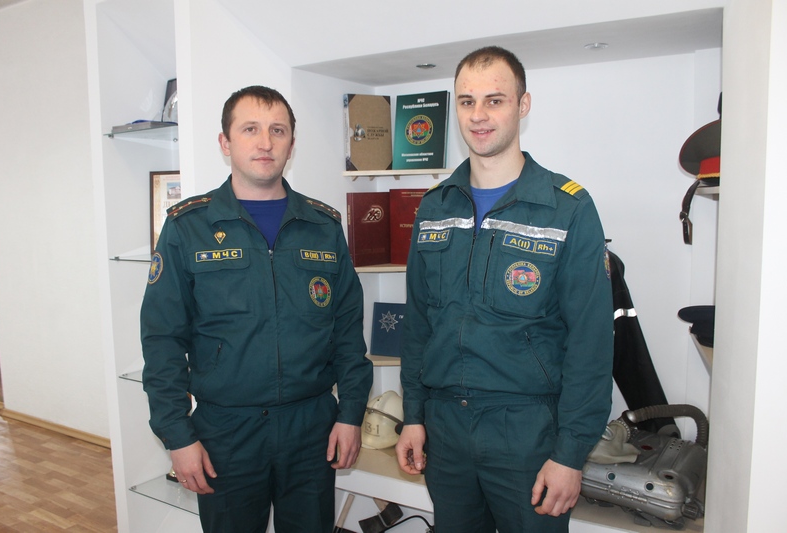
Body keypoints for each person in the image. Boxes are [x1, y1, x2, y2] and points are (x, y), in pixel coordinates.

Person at [395, 46, 614, 532]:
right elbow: (419, 325)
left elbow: (592, 344)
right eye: (467, 101)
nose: (479, 115)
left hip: (528, 433)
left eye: (494, 100)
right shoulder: (435, 207)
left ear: (523, 105)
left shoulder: (568, 209)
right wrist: (413, 415)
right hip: (446, 431)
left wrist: (570, 453)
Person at [141, 85, 372, 533]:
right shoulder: (188, 227)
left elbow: (347, 332)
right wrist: (177, 436)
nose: (265, 142)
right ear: (225, 143)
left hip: (311, 428)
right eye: (250, 129)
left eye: (277, 130)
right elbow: (162, 339)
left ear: (291, 143)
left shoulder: (323, 227)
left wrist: (350, 414)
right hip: (226, 431)